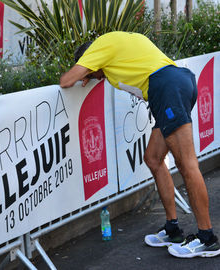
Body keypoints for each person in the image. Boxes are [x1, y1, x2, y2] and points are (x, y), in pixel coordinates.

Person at [59, 31, 220, 258]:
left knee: (187, 164)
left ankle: (208, 239)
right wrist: (91, 72)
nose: (97, 78)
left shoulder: (98, 48)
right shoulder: (117, 41)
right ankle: (173, 229)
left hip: (166, 89)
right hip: (175, 83)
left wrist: (82, 72)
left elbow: (65, 81)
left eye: (93, 73)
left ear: (89, 60)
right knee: (153, 159)